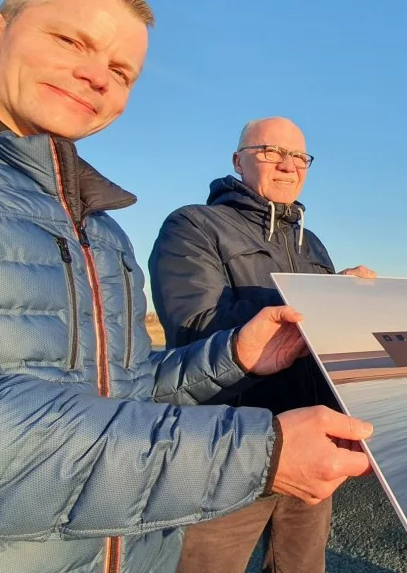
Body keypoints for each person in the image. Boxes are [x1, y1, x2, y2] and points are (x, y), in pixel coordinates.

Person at [0, 0, 372, 573]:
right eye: (71, 41)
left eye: (121, 71)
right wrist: (259, 451)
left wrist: (240, 355)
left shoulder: (101, 226)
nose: (96, 75)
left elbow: (125, 386)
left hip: (138, 535)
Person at [149, 117, 376, 573]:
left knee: (303, 566)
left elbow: (322, 342)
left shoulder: (310, 242)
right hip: (230, 445)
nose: (287, 165)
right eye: (271, 151)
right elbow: (195, 328)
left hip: (310, 439)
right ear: (238, 160)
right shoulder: (193, 225)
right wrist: (319, 298)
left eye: (299, 156)